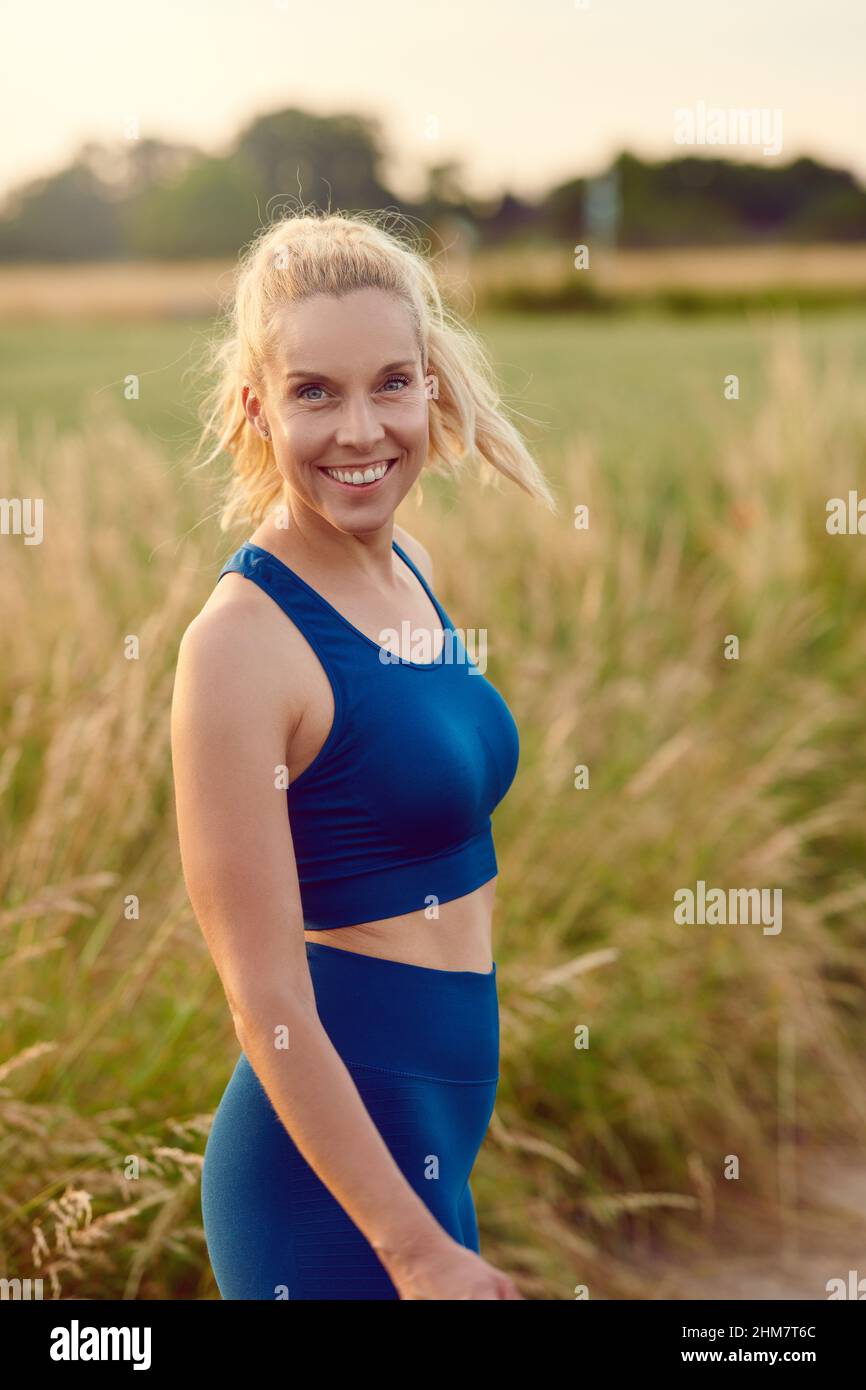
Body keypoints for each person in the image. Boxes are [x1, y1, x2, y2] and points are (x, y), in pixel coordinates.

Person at [171, 209, 557, 1299]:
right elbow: (266, 1002)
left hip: (433, 1136)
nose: (359, 430)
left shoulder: (412, 572)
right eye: (313, 393)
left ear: (431, 386)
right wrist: (414, 1249)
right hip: (328, 1188)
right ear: (256, 406)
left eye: (390, 382)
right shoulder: (240, 644)